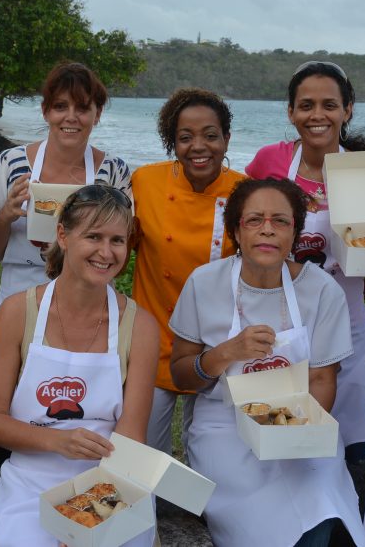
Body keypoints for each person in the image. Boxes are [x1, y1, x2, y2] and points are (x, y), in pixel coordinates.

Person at [169, 178, 365, 547]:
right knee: (255, 510)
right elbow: (181, 374)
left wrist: (296, 434)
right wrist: (227, 352)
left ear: (295, 233)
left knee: (319, 493)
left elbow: (323, 379)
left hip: (299, 423)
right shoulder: (204, 282)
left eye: (281, 221)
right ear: (235, 230)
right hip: (223, 428)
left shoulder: (322, 290)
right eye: (254, 220)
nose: (267, 229)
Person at [0, 62, 132, 467]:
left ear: (97, 114)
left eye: (83, 108)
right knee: (10, 401)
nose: (70, 118)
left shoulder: (113, 172)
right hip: (16, 297)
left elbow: (118, 248)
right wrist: (5, 214)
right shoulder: (10, 164)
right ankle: (2, 480)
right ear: (45, 112)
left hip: (86, 302)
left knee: (73, 398)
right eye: (60, 107)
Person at [0, 185, 159, 546]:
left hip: (113, 483)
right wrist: (57, 440)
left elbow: (130, 438)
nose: (106, 253)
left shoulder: (139, 326)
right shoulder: (18, 312)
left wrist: (87, 515)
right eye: (93, 236)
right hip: (30, 481)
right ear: (62, 234)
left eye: (117, 240)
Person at [246, 61, 365, 486]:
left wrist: (362, 254)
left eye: (329, 105)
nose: (316, 115)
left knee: (353, 441)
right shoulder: (270, 160)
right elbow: (243, 228)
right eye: (305, 105)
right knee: (286, 434)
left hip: (348, 320)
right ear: (290, 112)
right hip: (280, 323)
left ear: (348, 110)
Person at [130, 87, 247, 454]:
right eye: (185, 138)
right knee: (143, 453)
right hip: (153, 336)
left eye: (211, 136)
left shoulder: (245, 192)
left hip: (217, 344)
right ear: (172, 143)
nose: (199, 146)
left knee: (212, 453)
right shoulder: (145, 183)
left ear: (226, 139)